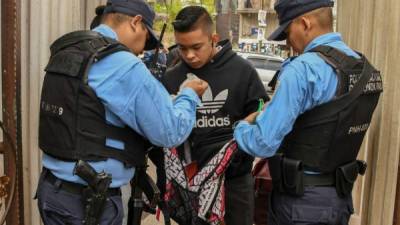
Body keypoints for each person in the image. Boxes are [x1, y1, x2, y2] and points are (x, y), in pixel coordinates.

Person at [36, 0, 208, 224]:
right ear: (136, 23)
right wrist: (188, 95)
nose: (141, 49)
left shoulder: (69, 49)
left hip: (52, 192)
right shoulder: (121, 63)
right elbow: (169, 131)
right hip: (89, 204)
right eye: (146, 38)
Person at [233, 0, 383, 225]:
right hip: (339, 199)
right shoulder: (363, 68)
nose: (289, 43)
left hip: (301, 204)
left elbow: (264, 143)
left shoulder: (302, 70)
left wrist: (241, 128)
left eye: (287, 33)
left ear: (304, 23)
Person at [162, 6, 269, 225]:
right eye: (182, 48)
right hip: (189, 186)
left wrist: (252, 123)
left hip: (235, 183)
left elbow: (262, 111)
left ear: (214, 38)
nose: (190, 55)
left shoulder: (243, 71)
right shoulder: (172, 77)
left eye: (196, 47)